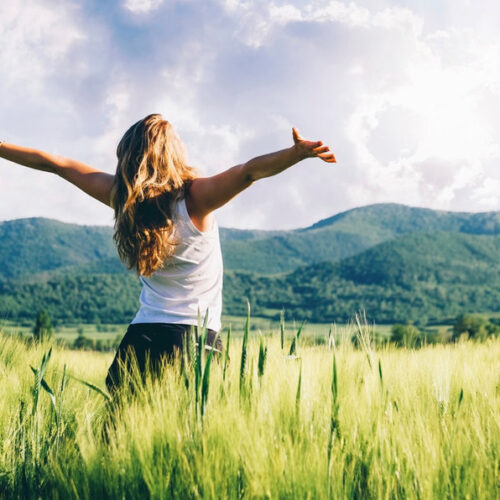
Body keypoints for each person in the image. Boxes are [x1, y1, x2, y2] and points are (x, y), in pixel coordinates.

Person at [0, 114, 336, 392]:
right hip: (195, 342)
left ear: (129, 156)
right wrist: (294, 154)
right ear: (174, 153)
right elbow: (248, 172)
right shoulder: (197, 198)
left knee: (115, 441)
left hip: (141, 340)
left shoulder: (125, 199)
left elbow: (58, 164)